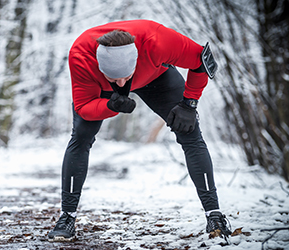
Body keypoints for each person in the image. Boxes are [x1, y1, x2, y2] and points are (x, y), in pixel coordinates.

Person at [47, 19, 231, 242]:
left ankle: (214, 215)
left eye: (126, 76)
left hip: (156, 76)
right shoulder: (82, 55)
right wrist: (110, 106)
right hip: (102, 90)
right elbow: (84, 108)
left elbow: (203, 60)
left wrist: (189, 103)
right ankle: (67, 216)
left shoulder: (158, 41)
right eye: (115, 78)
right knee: (81, 138)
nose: (124, 83)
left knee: (190, 134)